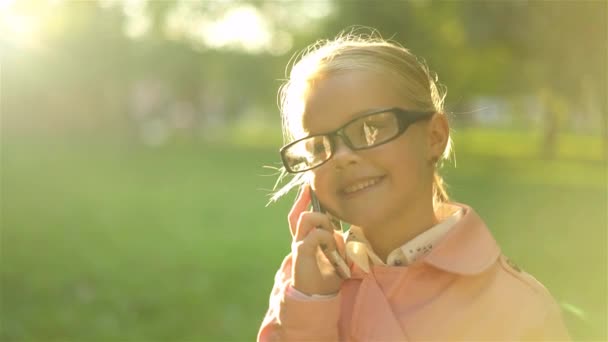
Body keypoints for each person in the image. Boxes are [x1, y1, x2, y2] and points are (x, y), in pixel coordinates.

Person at [257, 31, 570, 341]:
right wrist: (311, 304)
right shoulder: (302, 285)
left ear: (434, 137)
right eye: (318, 147)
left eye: (371, 128)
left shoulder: (516, 306)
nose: (342, 157)